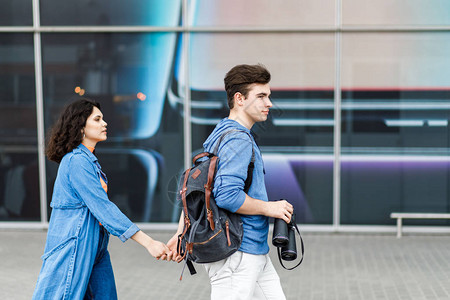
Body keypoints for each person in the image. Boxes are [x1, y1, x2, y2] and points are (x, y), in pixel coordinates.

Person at [167, 64, 294, 300]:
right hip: (238, 253)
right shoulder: (237, 140)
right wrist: (271, 208)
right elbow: (226, 195)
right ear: (239, 99)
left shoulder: (221, 133)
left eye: (269, 96)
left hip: (251, 250)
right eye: (261, 96)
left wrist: (181, 232)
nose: (269, 103)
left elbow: (200, 189)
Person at [32, 98, 171, 299]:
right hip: (74, 246)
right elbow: (103, 209)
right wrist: (148, 242)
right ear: (80, 127)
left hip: (96, 248)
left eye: (102, 119)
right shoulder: (76, 161)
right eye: (97, 119)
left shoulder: (89, 160)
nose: (104, 124)